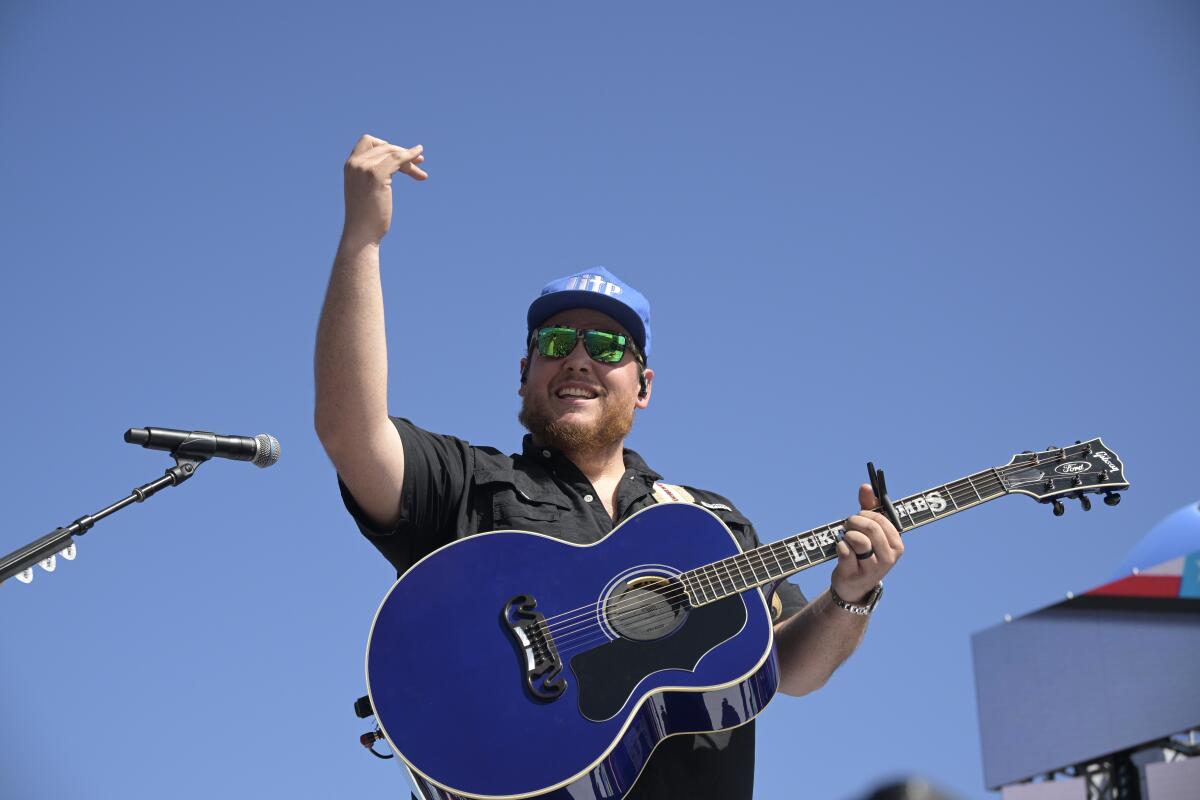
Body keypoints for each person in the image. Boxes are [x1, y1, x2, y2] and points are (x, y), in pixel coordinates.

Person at [315, 134, 904, 800]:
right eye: (557, 342)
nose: (579, 358)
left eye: (606, 345)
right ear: (525, 373)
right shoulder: (468, 484)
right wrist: (362, 238)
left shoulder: (705, 519)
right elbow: (348, 428)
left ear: (644, 385)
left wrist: (850, 597)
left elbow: (793, 669)